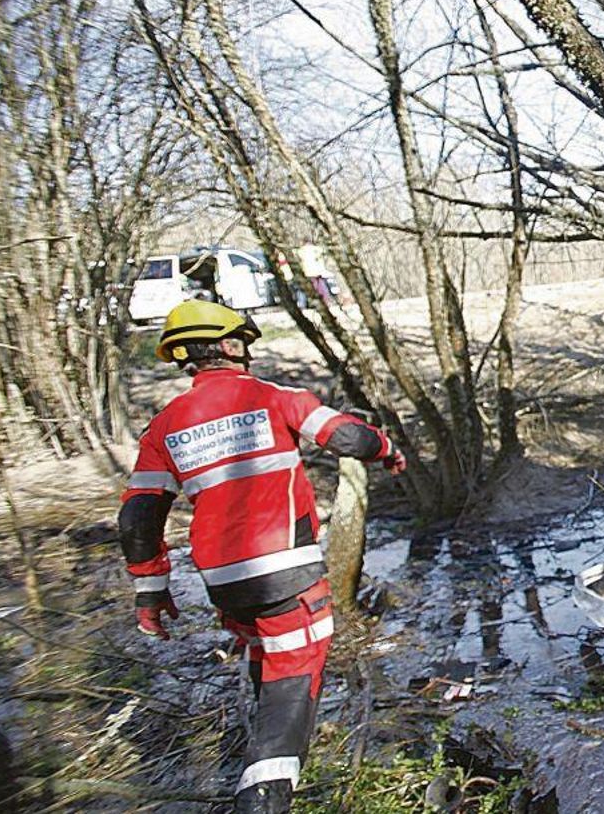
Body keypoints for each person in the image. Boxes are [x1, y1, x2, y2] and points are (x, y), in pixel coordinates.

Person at [117, 300, 405, 813]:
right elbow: (347, 437)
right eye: (243, 343)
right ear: (230, 345)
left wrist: (150, 591)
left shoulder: (163, 428)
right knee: (293, 672)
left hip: (223, 582)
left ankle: (261, 749)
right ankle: (265, 793)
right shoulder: (274, 397)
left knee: (263, 651)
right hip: (285, 572)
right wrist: (386, 448)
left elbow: (138, 518)